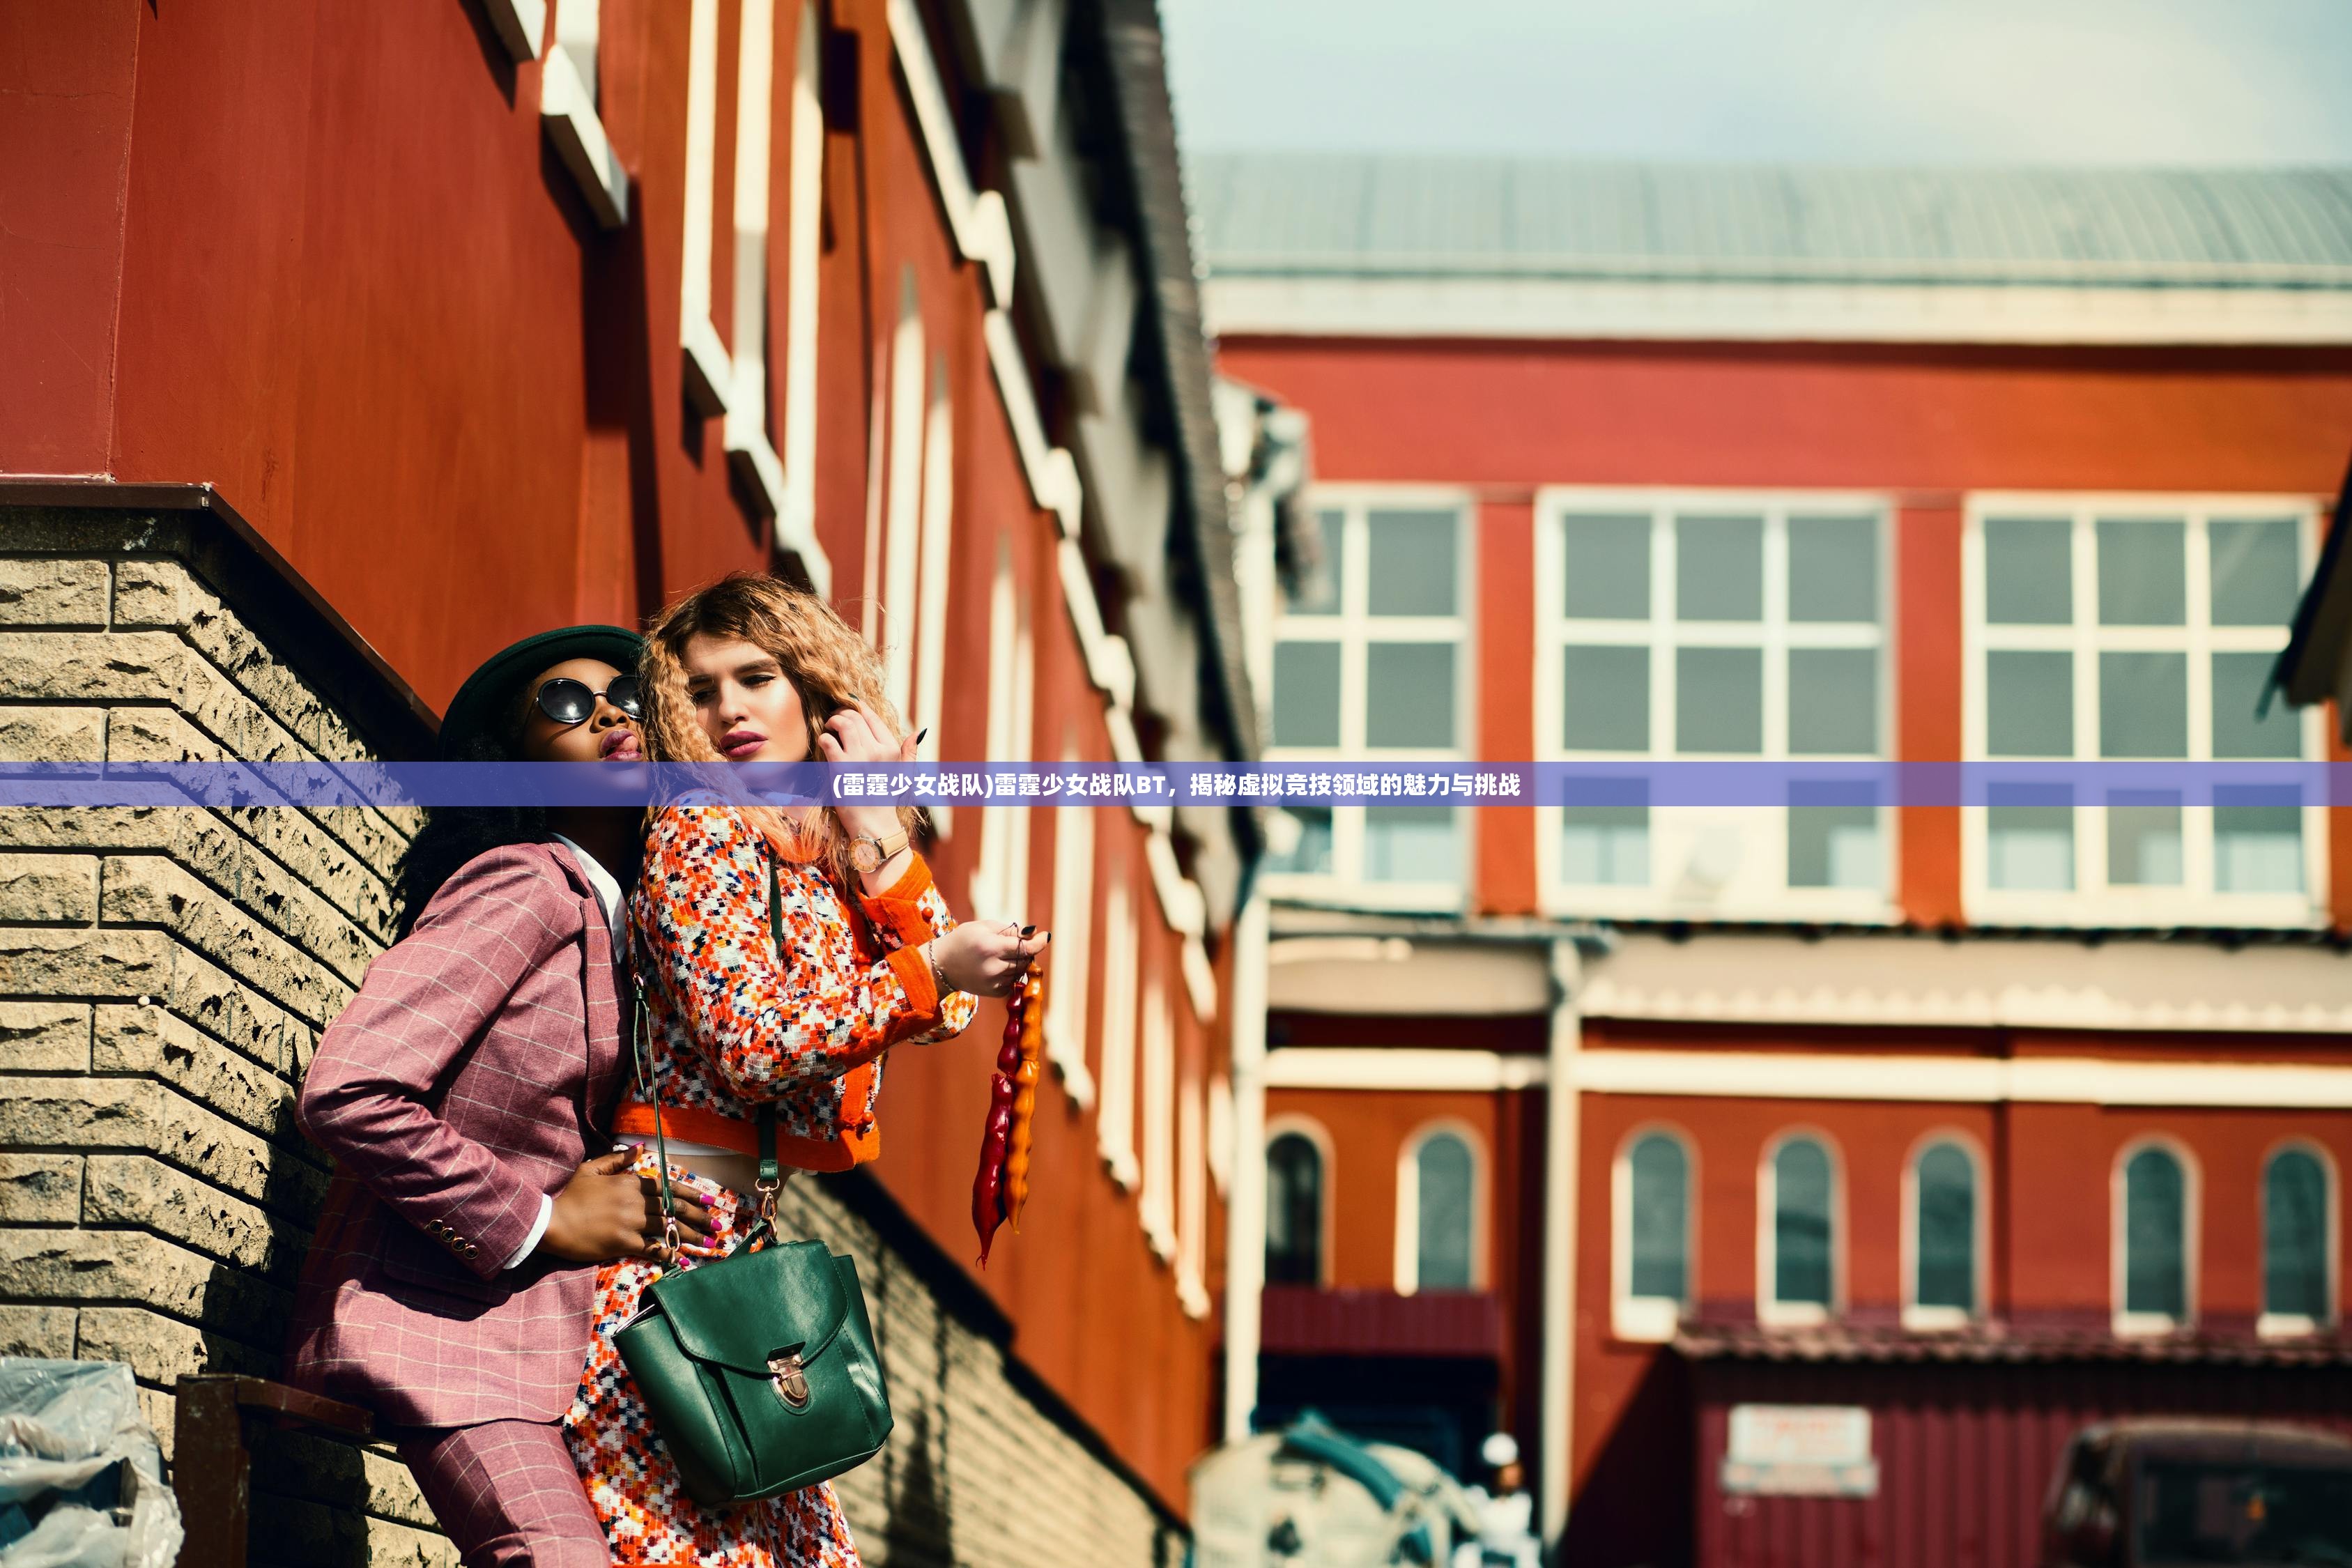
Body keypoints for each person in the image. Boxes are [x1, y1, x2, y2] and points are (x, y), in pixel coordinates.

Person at [562, 573, 1045, 1567]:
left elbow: (947, 1008)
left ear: (816, 698)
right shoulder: (697, 834)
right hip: (664, 1239)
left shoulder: (818, 862)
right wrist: (931, 966)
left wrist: (877, 828)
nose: (730, 709)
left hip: (746, 1243)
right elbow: (753, 1041)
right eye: (699, 691)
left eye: (756, 677)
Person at [286, 627, 714, 1568]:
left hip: (566, 1360)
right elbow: (351, 1089)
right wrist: (541, 1221)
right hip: (442, 1337)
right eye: (564, 703)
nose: (608, 712)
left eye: (629, 695)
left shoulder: (634, 921)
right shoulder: (525, 883)